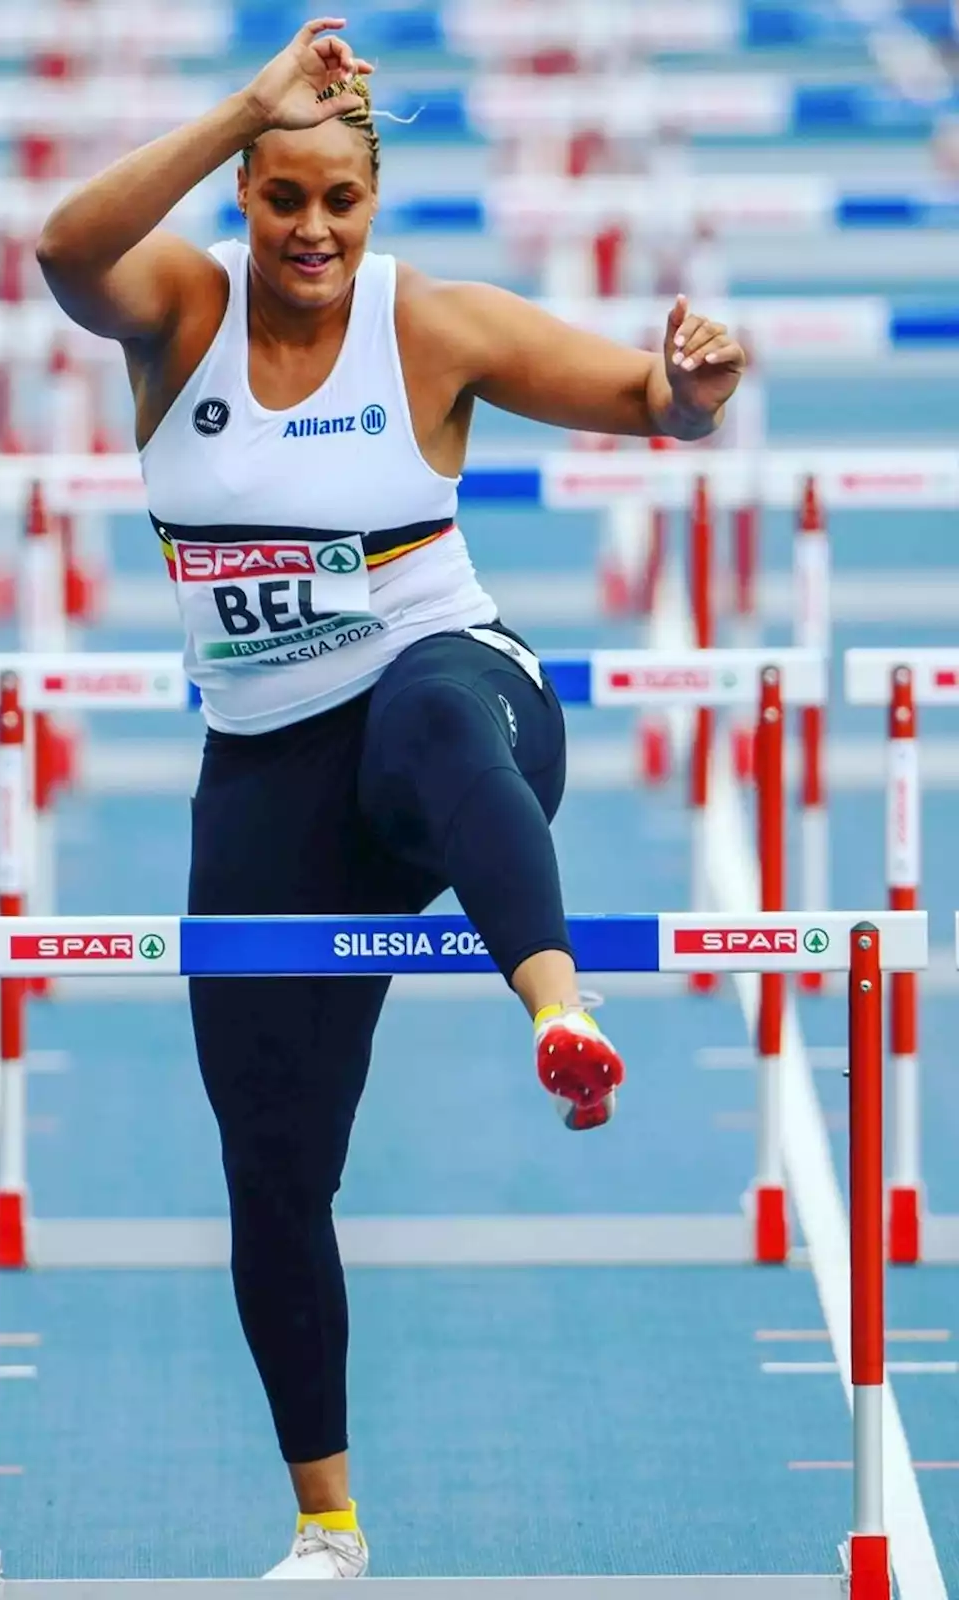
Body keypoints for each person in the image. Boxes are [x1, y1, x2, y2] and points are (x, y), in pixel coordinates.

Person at [37, 18, 746, 1580]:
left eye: (337, 206)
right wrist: (242, 110)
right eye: (281, 198)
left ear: (373, 208)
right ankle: (329, 1520)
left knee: (423, 710)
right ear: (243, 194)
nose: (310, 232)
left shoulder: (427, 330)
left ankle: (560, 1008)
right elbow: (63, 247)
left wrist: (694, 387)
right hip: (274, 767)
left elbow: (650, 403)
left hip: (465, 711)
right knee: (274, 1166)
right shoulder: (181, 314)